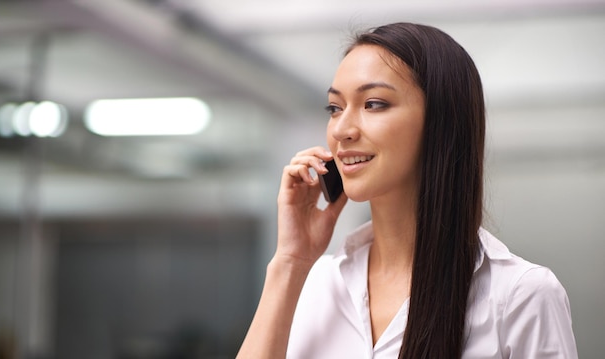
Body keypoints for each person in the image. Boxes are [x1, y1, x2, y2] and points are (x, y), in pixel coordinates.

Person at [236, 22, 578, 358]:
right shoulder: (318, 283)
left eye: (373, 104)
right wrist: (290, 262)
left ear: (440, 122)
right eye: (334, 108)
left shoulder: (521, 296)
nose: (341, 129)